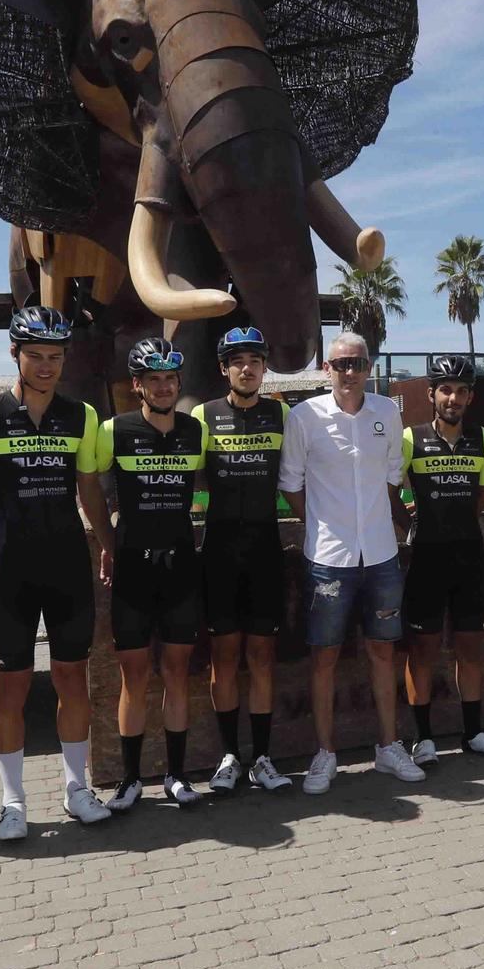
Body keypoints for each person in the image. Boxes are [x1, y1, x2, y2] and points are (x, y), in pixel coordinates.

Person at [0, 303, 116, 840]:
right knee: (11, 686)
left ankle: (76, 790)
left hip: (67, 561)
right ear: (14, 354)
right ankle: (11, 801)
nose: (46, 366)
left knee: (72, 680)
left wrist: (108, 544)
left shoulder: (81, 415)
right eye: (35, 355)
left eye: (55, 356)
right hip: (13, 565)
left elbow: (89, 488)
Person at [279, 331, 423, 792]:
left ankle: (388, 747)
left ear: (368, 367)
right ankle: (325, 755)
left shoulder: (387, 411)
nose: (349, 372)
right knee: (324, 658)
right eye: (341, 364)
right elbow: (290, 483)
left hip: (381, 555)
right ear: (327, 369)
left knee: (384, 651)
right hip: (327, 559)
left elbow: (391, 480)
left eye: (357, 364)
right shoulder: (304, 417)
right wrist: (322, 523)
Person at [99, 337, 209, 810]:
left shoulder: (194, 430)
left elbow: (204, 487)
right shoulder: (113, 430)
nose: (163, 387)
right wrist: (107, 546)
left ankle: (177, 775)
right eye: (153, 379)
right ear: (137, 385)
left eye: (170, 379)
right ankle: (129, 778)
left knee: (178, 673)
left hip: (181, 564)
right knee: (134, 677)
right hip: (133, 567)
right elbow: (91, 491)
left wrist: (200, 521)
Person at [191, 327, 293, 793]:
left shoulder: (282, 413)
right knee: (224, 660)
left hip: (266, 551)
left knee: (263, 658)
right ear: (223, 368)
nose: (247, 368)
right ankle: (230, 755)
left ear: (265, 367)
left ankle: (265, 758)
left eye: (255, 359)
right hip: (219, 553)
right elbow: (186, 484)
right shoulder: (203, 415)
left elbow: (299, 478)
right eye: (238, 360)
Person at [401, 355, 484, 763]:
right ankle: (424, 738)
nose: (453, 397)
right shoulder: (410, 438)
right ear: (431, 394)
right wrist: (410, 523)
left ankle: (473, 732)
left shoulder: (483, 439)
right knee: (423, 651)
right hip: (427, 558)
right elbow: (391, 488)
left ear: (470, 397)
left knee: (470, 649)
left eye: (461, 391)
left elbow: (481, 498)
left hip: (468, 557)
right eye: (445, 389)